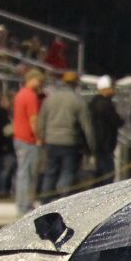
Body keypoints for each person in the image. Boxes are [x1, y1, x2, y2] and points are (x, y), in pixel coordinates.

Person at [36, 72, 93, 201]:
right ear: (75, 84)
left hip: (51, 141)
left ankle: (45, 201)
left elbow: (41, 121)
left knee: (50, 173)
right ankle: (63, 200)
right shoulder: (77, 100)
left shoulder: (50, 99)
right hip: (69, 141)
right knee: (67, 172)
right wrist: (91, 145)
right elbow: (87, 126)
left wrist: (43, 137)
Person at [12, 68, 44, 213]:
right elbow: (33, 119)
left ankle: (22, 203)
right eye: (40, 81)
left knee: (23, 172)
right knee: (27, 174)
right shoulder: (31, 96)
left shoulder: (20, 94)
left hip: (19, 137)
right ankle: (24, 206)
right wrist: (38, 137)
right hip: (28, 139)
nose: (41, 85)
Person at [87, 75, 121, 187]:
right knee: (107, 174)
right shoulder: (104, 104)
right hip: (104, 144)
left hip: (100, 144)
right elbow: (115, 121)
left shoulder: (94, 103)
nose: (115, 90)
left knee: (101, 173)